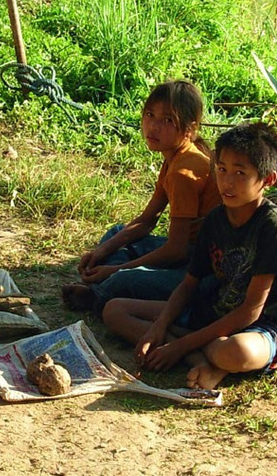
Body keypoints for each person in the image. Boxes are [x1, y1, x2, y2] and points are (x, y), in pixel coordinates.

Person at [102, 122, 277, 390]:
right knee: (114, 310)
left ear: (267, 180)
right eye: (222, 170)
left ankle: (205, 356)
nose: (227, 182)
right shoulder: (216, 218)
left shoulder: (273, 226)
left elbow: (251, 311)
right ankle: (203, 360)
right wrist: (159, 326)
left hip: (262, 328)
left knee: (236, 352)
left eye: (240, 173)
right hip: (212, 314)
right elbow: (189, 284)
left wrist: (179, 344)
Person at [61, 80, 222, 315]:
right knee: (117, 234)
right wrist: (101, 252)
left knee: (125, 278)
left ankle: (98, 296)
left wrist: (115, 271)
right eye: (150, 115)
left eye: (168, 120)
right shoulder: (174, 159)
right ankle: (105, 281)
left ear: (189, 128)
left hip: (201, 270)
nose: (153, 126)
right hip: (185, 253)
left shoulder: (183, 172)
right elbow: (146, 221)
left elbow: (176, 250)